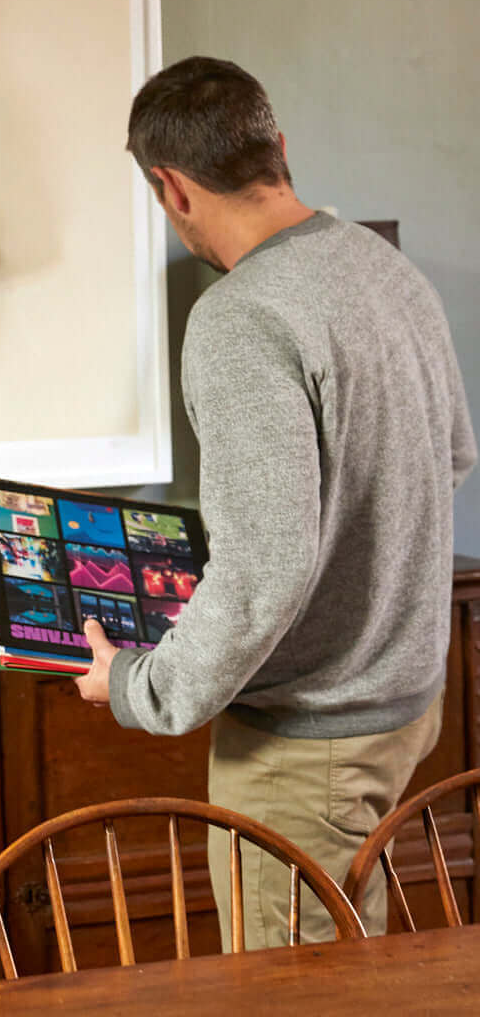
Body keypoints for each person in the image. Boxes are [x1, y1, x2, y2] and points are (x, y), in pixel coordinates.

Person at [74, 56, 477, 947]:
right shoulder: (379, 266)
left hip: (308, 739)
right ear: (276, 148)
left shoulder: (239, 317)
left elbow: (265, 570)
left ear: (169, 187)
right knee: (352, 993)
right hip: (405, 702)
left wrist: (142, 688)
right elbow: (451, 455)